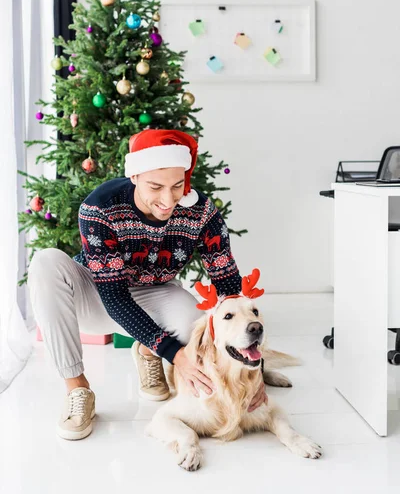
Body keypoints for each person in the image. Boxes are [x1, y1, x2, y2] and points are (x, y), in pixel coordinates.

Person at [28, 129, 266, 441]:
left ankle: (147, 350)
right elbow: (114, 297)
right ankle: (78, 389)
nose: (168, 200)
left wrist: (253, 370)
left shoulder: (201, 211)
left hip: (157, 293)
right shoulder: (100, 207)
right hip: (96, 293)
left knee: (193, 322)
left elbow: (229, 287)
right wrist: (174, 353)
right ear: (135, 175)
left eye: (177, 186)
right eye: (156, 186)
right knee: (45, 261)